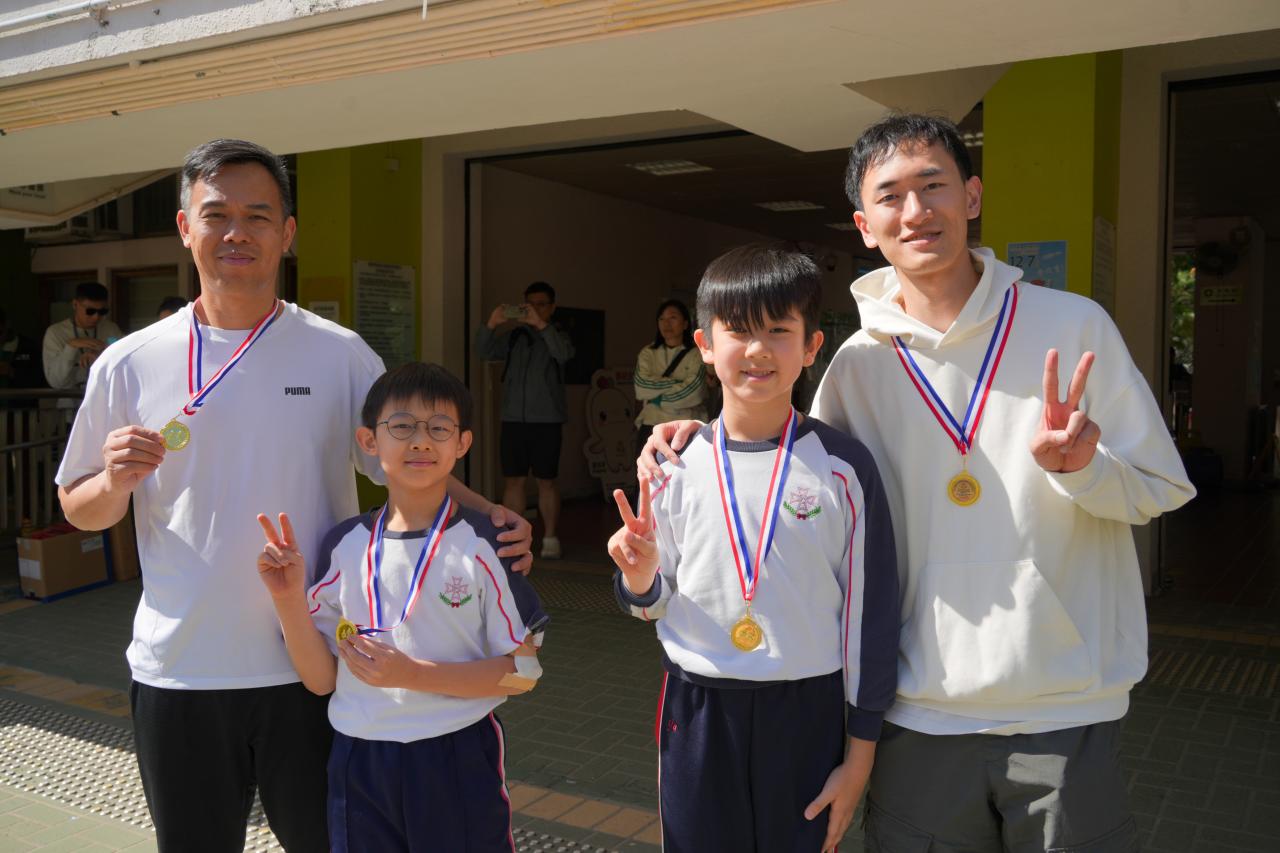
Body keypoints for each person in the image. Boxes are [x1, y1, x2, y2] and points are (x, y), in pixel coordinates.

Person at [642, 115, 1196, 852]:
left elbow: (1160, 486)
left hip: (1062, 704)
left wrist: (1084, 470)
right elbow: (792, 482)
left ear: (972, 196)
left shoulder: (1073, 327)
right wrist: (693, 437)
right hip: (916, 714)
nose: (915, 211)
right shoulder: (856, 365)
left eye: (933, 186)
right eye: (890, 195)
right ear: (864, 226)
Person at [55, 138, 533, 853]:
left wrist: (487, 513)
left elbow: (406, 458)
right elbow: (78, 506)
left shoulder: (338, 353)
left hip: (314, 669)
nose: (237, 233)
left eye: (258, 216)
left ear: (288, 232)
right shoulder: (129, 362)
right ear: (185, 227)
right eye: (216, 215)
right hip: (180, 670)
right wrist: (113, 481)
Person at [610, 244, 898, 853]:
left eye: (778, 331)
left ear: (811, 346)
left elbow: (870, 615)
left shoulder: (844, 467)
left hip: (808, 707)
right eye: (738, 331)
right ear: (705, 345)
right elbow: (650, 605)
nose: (758, 349)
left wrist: (860, 753)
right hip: (697, 705)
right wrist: (638, 578)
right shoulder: (671, 465)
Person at [257, 361, 548, 852]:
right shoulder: (342, 544)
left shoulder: (486, 544)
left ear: (463, 444)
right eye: (402, 426)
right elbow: (322, 681)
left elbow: (523, 675)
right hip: (358, 755)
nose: (420, 442)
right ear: (369, 441)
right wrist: (286, 599)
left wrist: (413, 675)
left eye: (439, 428)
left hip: (456, 751)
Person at [476, 281, 574, 559]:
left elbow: (564, 354)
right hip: (513, 420)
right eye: (529, 304)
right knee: (513, 480)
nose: (534, 310)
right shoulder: (515, 336)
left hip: (547, 421)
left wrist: (541, 325)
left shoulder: (558, 334)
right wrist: (492, 324)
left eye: (541, 304)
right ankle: (513, 538)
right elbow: (483, 352)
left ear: (552, 307)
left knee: (547, 481)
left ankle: (550, 538)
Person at [632, 298, 707, 457]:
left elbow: (694, 393)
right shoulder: (648, 353)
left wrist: (656, 398)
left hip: (685, 426)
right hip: (651, 423)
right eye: (662, 318)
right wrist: (678, 383)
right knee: (648, 470)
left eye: (673, 317)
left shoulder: (696, 354)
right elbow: (641, 387)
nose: (666, 323)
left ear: (685, 324)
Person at [42, 281, 123, 395]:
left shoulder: (111, 329)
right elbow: (56, 382)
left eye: (102, 311)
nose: (96, 317)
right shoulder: (56, 333)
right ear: (75, 304)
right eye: (90, 311)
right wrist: (71, 347)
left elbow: (122, 363)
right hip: (70, 401)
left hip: (102, 397)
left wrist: (100, 357)